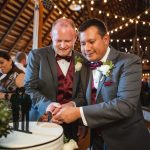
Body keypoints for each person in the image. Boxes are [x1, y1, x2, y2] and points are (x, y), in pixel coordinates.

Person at [53, 19, 150, 150]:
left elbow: (125, 105)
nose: (86, 48)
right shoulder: (85, 66)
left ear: (105, 39)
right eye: (82, 43)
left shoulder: (129, 62)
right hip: (96, 140)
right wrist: (72, 105)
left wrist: (78, 113)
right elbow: (84, 97)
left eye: (91, 42)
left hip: (126, 141)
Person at [24, 18, 86, 141]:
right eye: (58, 41)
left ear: (75, 38)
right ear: (52, 36)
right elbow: (29, 88)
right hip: (41, 122)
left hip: (71, 125)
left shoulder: (82, 59)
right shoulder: (37, 55)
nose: (63, 46)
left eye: (68, 41)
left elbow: (83, 92)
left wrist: (73, 105)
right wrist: (47, 106)